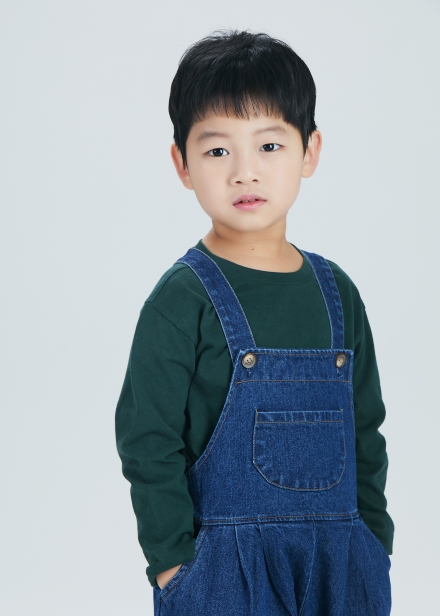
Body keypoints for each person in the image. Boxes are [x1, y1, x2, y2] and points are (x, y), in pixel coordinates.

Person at [115, 30, 394, 615]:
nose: (245, 172)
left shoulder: (337, 294)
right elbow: (148, 441)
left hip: (341, 565)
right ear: (182, 163)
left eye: (269, 145)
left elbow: (365, 429)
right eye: (218, 151)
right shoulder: (182, 300)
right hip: (223, 576)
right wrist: (172, 566)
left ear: (309, 152)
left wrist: (375, 543)